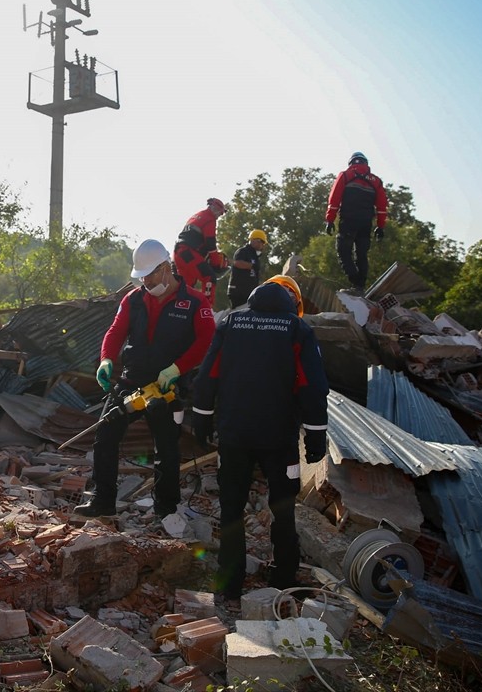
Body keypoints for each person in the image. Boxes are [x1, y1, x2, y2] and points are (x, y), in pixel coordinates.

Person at [190, 274, 329, 599]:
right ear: (294, 303)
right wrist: (316, 434)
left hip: (234, 435)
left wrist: (202, 417)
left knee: (231, 507)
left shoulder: (231, 323)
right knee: (283, 508)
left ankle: (230, 583)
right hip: (280, 439)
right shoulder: (297, 329)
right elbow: (312, 385)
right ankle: (284, 582)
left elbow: (208, 372)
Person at [74, 239, 215, 519]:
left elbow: (207, 341)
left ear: (166, 268)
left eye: (150, 275)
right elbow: (116, 331)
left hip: (168, 388)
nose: (146, 282)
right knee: (105, 435)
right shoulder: (133, 299)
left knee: (166, 446)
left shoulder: (196, 302)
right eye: (142, 277)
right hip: (131, 381)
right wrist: (106, 359)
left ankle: (166, 508)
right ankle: (103, 501)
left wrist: (177, 369)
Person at [324, 151, 389, 293]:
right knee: (362, 254)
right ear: (366, 164)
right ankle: (361, 286)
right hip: (366, 223)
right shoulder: (376, 181)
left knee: (343, 250)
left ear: (351, 163)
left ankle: (356, 282)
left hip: (348, 220)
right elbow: (382, 207)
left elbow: (334, 199)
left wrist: (329, 220)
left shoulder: (346, 175)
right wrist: (380, 226)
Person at [174, 197, 229, 305]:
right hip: (188, 252)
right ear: (215, 208)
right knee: (209, 277)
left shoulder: (197, 215)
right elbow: (211, 245)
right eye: (220, 213)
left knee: (186, 286)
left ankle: (178, 310)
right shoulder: (210, 219)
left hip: (179, 253)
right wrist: (216, 264)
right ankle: (206, 309)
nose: (219, 216)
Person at [226, 229, 268, 309]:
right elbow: (238, 263)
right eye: (261, 242)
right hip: (238, 292)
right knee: (238, 314)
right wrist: (252, 265)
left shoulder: (255, 256)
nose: (262, 245)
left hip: (249, 293)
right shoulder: (243, 251)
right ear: (254, 240)